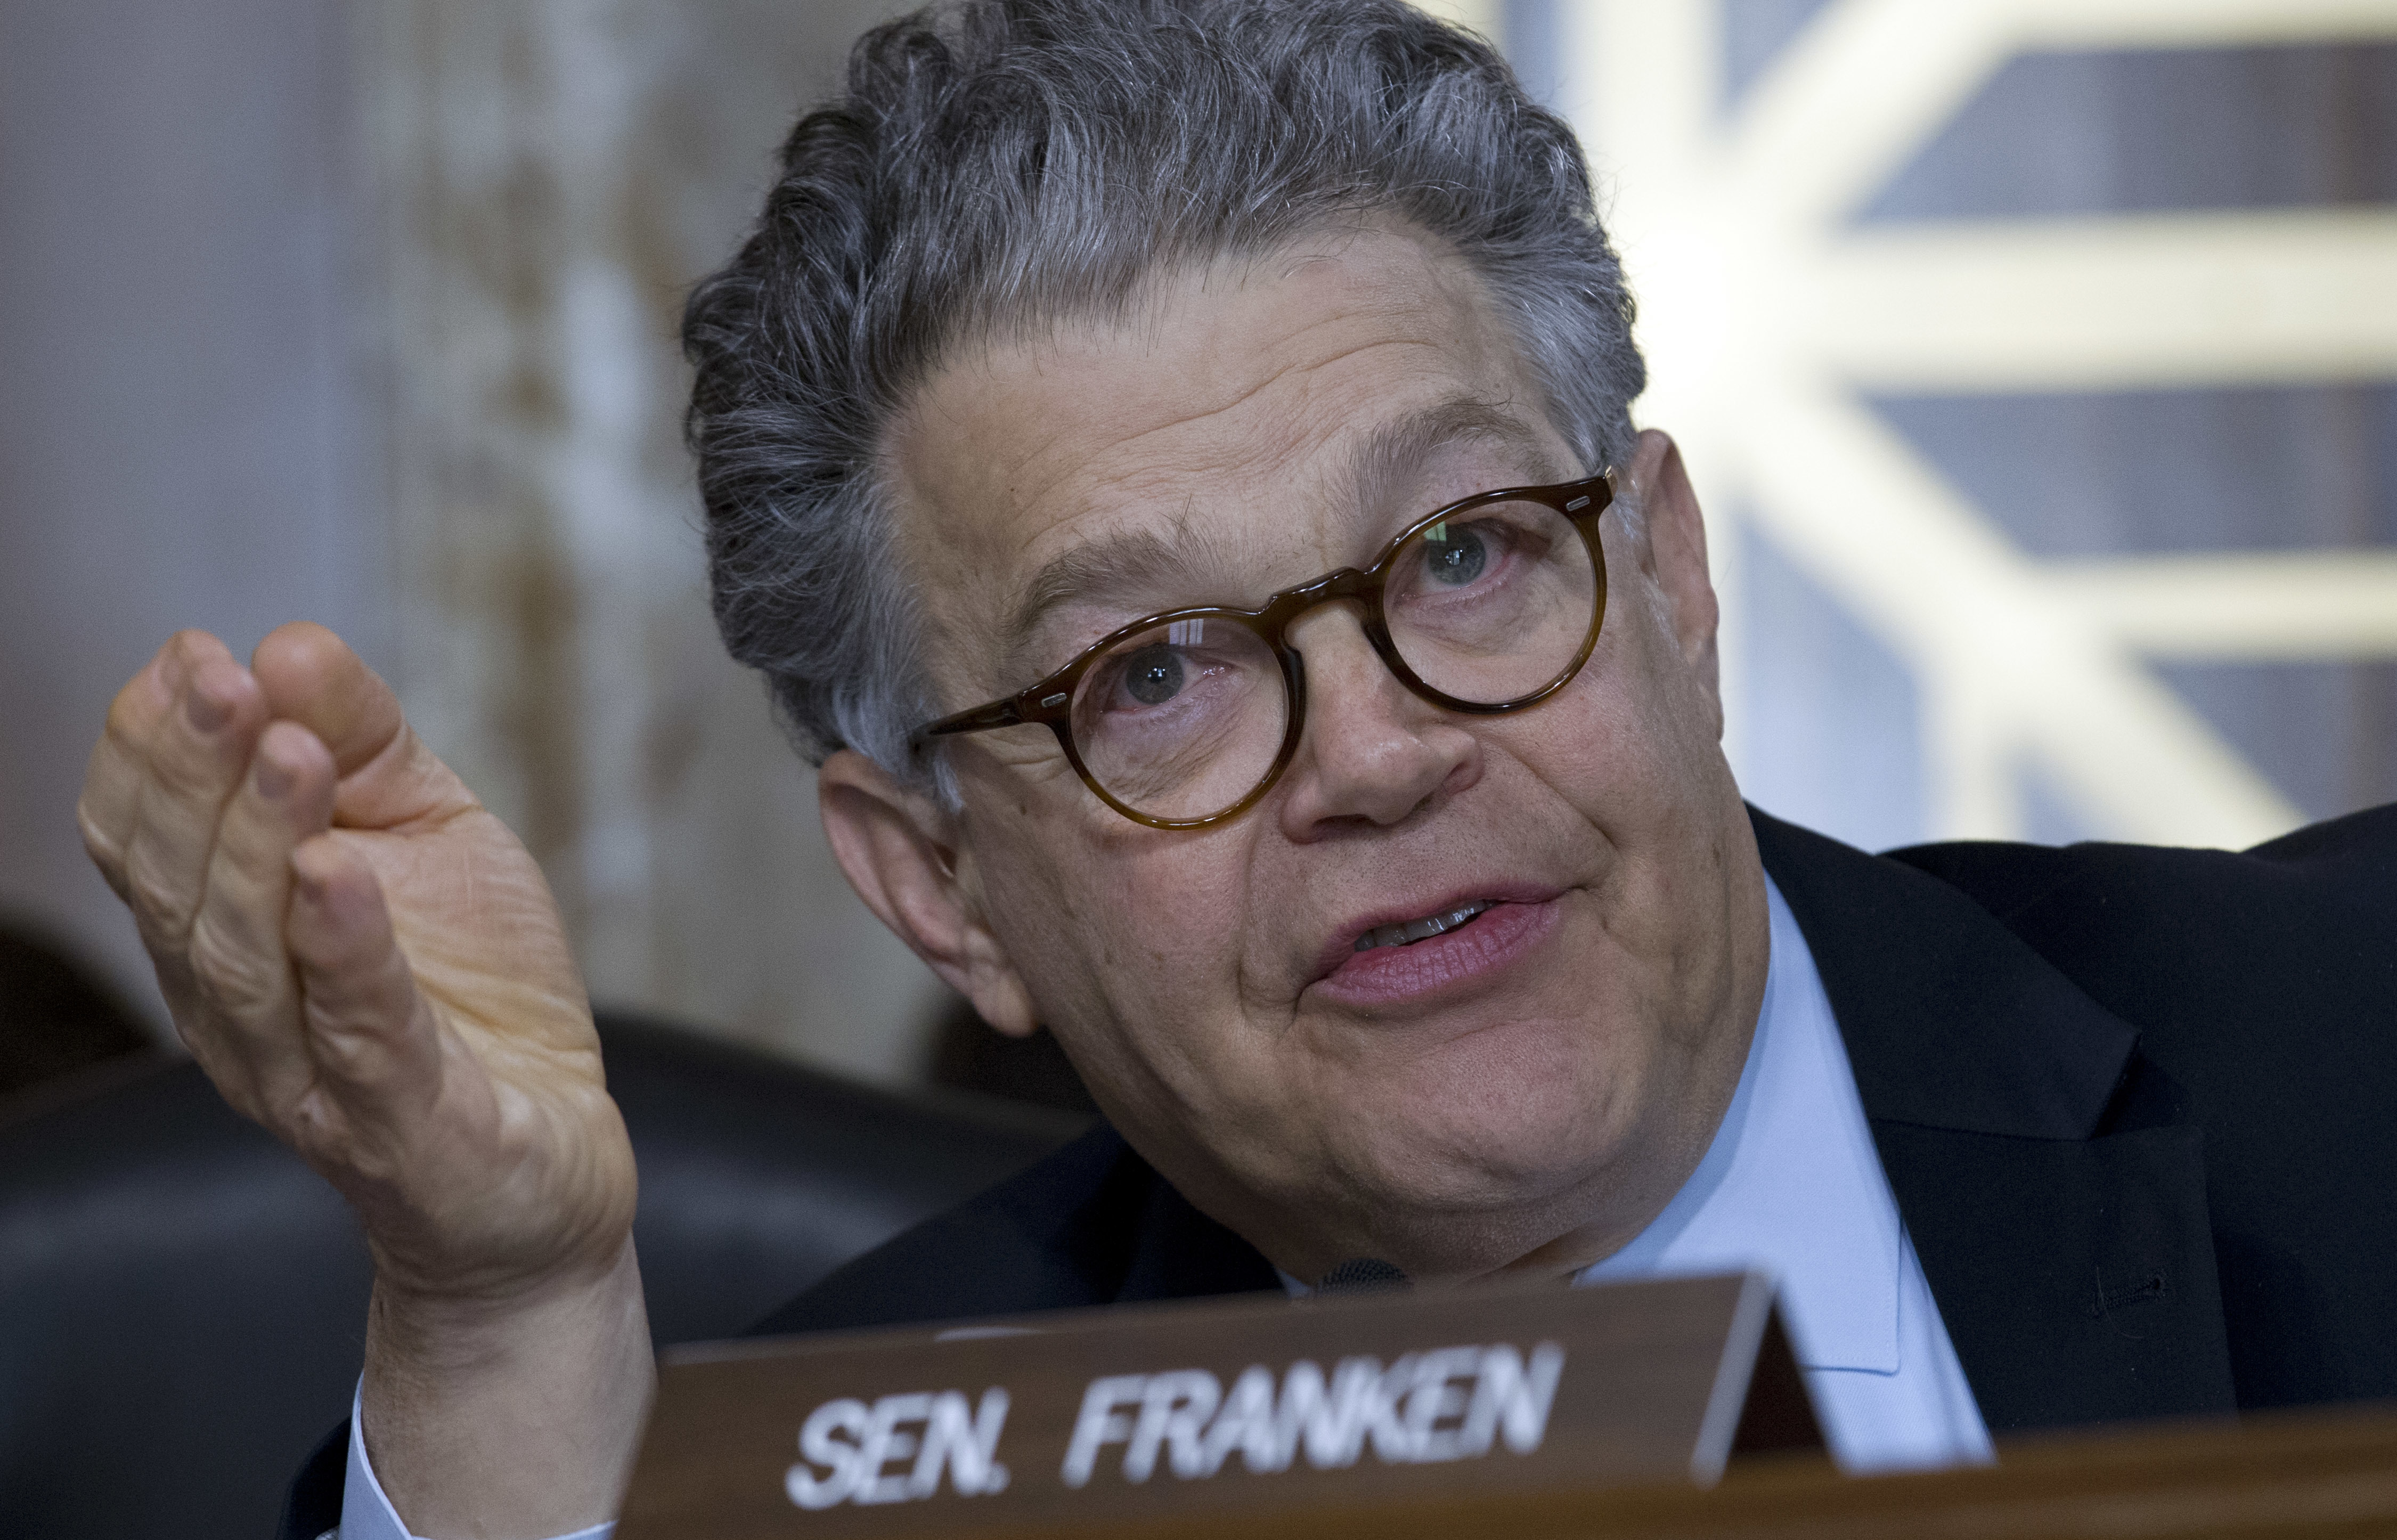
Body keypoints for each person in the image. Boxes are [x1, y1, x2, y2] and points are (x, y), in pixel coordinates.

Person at [75, 3, 2396, 1537]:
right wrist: (499, 1330)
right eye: (1158, 673)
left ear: (1674, 583)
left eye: (1472, 550)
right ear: (941, 887)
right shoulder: (852, 1470)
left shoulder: (2352, 1054)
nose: (1378, 752)